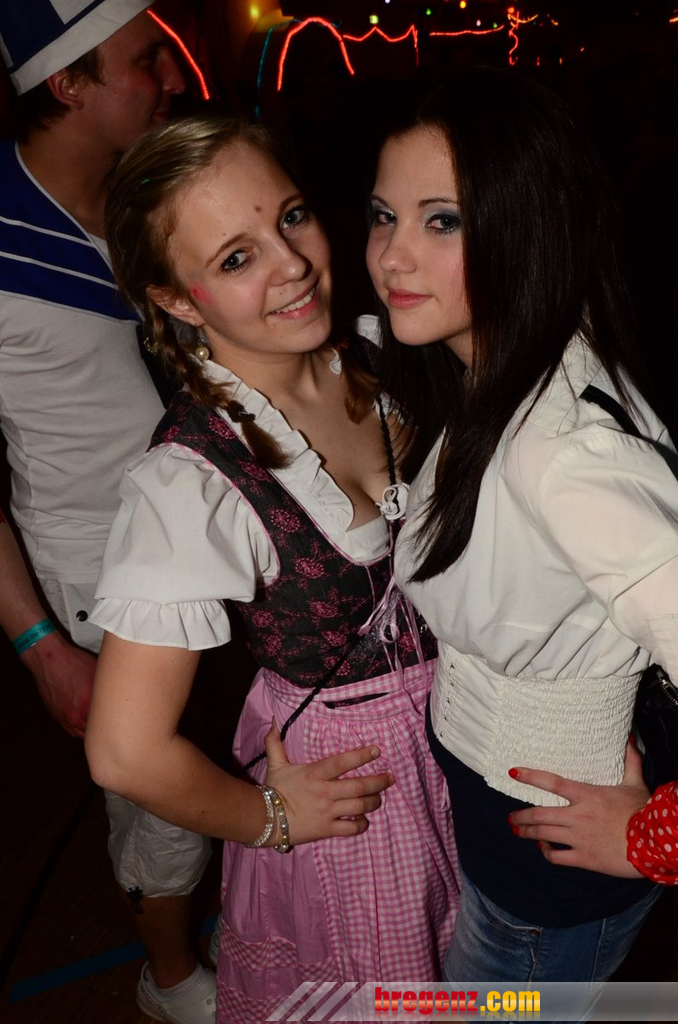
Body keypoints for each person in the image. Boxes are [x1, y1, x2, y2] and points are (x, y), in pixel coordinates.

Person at [84, 113, 460, 1023]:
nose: (292, 264)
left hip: (463, 742)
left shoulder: (376, 350)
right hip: (358, 788)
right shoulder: (191, 482)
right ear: (177, 300)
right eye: (236, 258)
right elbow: (124, 749)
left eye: (292, 217)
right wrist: (269, 818)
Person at [365, 66, 678, 1009]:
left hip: (548, 876)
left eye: (442, 221)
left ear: (530, 226)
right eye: (383, 215)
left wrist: (659, 836)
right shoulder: (504, 370)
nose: (393, 256)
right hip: (506, 834)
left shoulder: (563, 455)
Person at [0, 5, 220, 1021]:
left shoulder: (147, 192)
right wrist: (42, 646)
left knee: (211, 763)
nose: (173, 75)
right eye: (146, 59)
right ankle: (169, 979)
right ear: (67, 84)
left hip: (213, 528)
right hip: (103, 569)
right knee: (165, 794)